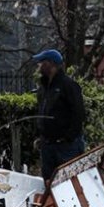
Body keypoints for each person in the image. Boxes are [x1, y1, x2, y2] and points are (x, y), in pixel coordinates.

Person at [33, 49, 85, 181]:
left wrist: (69, 137)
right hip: (48, 146)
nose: (38, 66)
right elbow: (41, 112)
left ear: (50, 64)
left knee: (69, 182)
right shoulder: (44, 89)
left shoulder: (68, 85)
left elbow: (78, 113)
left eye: (42, 62)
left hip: (66, 147)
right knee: (49, 182)